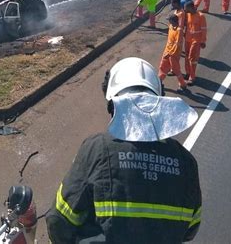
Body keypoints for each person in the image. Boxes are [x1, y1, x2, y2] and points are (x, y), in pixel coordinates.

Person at [46, 57, 201, 244]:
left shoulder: (98, 149)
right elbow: (191, 229)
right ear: (157, 106)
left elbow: (59, 220)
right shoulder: (186, 162)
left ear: (113, 106)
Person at [158, 14, 187, 91]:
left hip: (174, 53)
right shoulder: (171, 27)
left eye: (170, 20)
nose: (169, 22)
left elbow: (177, 44)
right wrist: (167, 52)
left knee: (175, 69)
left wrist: (170, 53)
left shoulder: (179, 30)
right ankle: (159, 81)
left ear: (173, 21)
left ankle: (183, 84)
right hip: (167, 51)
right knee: (162, 66)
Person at [184, 1, 207, 86]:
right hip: (188, 39)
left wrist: (203, 41)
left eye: (186, 8)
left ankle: (192, 77)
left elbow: (204, 29)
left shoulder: (201, 16)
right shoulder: (188, 15)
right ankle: (188, 72)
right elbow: (187, 26)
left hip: (196, 40)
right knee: (187, 56)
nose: (185, 10)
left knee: (192, 58)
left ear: (191, 7)